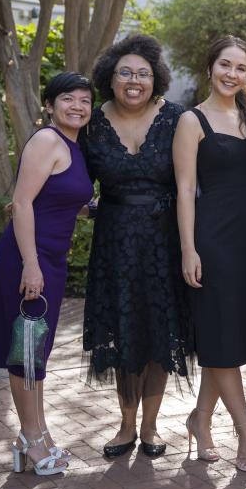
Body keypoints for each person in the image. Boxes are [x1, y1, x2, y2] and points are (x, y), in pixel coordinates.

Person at [83, 34, 189, 459]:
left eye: (143, 74)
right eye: (125, 72)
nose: (134, 80)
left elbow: (190, 184)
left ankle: (150, 427)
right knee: (122, 332)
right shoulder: (89, 123)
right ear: (110, 77)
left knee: (158, 333)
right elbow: (69, 176)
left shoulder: (176, 118)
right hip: (114, 245)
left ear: (156, 79)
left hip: (164, 242)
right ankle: (126, 425)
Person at [0, 72, 95, 475]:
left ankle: (34, 436)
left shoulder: (73, 146)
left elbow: (65, 201)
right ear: (49, 104)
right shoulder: (47, 140)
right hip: (26, 259)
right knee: (26, 352)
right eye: (69, 99)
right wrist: (31, 264)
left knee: (36, 351)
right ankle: (32, 439)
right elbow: (22, 203)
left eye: (85, 100)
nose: (78, 106)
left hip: (50, 259)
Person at [175, 36, 246, 472]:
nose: (233, 74)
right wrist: (189, 248)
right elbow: (185, 191)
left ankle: (200, 418)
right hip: (212, 242)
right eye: (225, 65)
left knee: (224, 338)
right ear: (210, 67)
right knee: (221, 338)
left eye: (241, 68)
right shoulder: (192, 121)